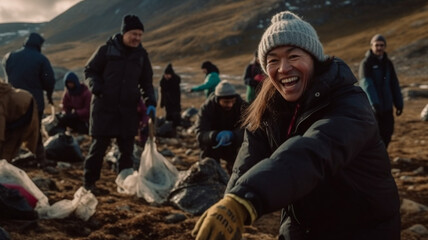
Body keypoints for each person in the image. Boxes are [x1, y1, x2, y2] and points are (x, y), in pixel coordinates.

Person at [192, 11, 400, 240]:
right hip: (304, 225)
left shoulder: (349, 103)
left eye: (293, 56)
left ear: (314, 58)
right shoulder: (269, 108)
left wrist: (246, 200)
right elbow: (248, 161)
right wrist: (230, 205)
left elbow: (312, 151)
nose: (283, 68)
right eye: (273, 60)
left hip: (363, 228)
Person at [83, 14, 157, 192]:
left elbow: (146, 82)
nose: (137, 38)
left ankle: (125, 184)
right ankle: (89, 184)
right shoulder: (106, 50)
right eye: (133, 34)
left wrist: (151, 102)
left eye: (140, 34)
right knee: (99, 148)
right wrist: (97, 88)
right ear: (124, 33)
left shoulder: (141, 55)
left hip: (127, 110)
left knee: (127, 150)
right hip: (104, 107)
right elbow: (90, 70)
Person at [2, 32, 56, 165]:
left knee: (8, 130)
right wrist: (49, 94)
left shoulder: (10, 56)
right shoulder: (41, 59)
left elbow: (7, 75)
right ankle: (40, 159)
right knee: (34, 130)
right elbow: (49, 80)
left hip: (11, 101)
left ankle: (6, 159)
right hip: (32, 102)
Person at [359, 34, 404, 148]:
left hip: (387, 107)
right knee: (374, 135)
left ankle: (382, 158)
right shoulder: (366, 63)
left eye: (382, 45)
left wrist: (399, 103)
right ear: (372, 46)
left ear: (385, 46)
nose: (379, 48)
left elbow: (394, 83)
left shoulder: (388, 63)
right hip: (373, 109)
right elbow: (366, 84)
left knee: (387, 133)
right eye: (377, 45)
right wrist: (374, 104)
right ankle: (374, 161)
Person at [195, 80, 247, 174]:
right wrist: (214, 136)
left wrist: (234, 135)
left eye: (232, 101)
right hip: (213, 144)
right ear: (218, 99)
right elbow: (200, 133)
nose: (230, 105)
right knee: (208, 164)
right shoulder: (207, 108)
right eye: (226, 102)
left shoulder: (241, 105)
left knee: (242, 165)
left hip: (234, 143)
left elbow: (249, 127)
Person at [0, 79, 39, 161]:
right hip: (17, 110)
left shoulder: (1, 98)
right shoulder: (3, 92)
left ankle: (3, 167)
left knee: (10, 143)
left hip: (24, 112)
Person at [159, 63, 181, 128]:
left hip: (175, 102)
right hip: (167, 102)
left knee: (175, 116)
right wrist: (162, 103)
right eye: (165, 75)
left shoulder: (175, 81)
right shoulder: (163, 82)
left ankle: (176, 128)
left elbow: (176, 94)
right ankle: (169, 128)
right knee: (168, 116)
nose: (166, 76)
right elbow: (162, 93)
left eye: (168, 75)